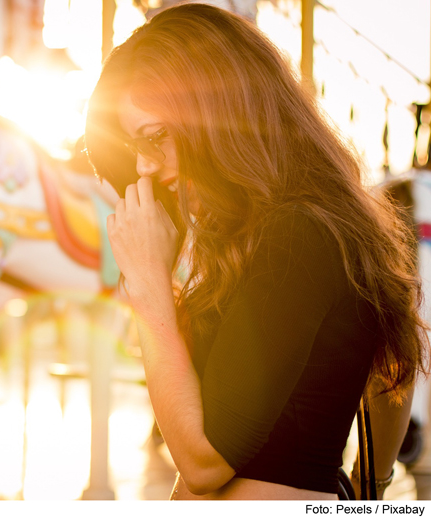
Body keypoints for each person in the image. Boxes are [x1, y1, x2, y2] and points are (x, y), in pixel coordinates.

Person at [84, 3, 429, 500]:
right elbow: (391, 367)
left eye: (157, 137)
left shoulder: (295, 234)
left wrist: (149, 288)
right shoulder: (307, 224)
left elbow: (204, 464)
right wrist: (368, 489)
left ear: (222, 115)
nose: (144, 167)